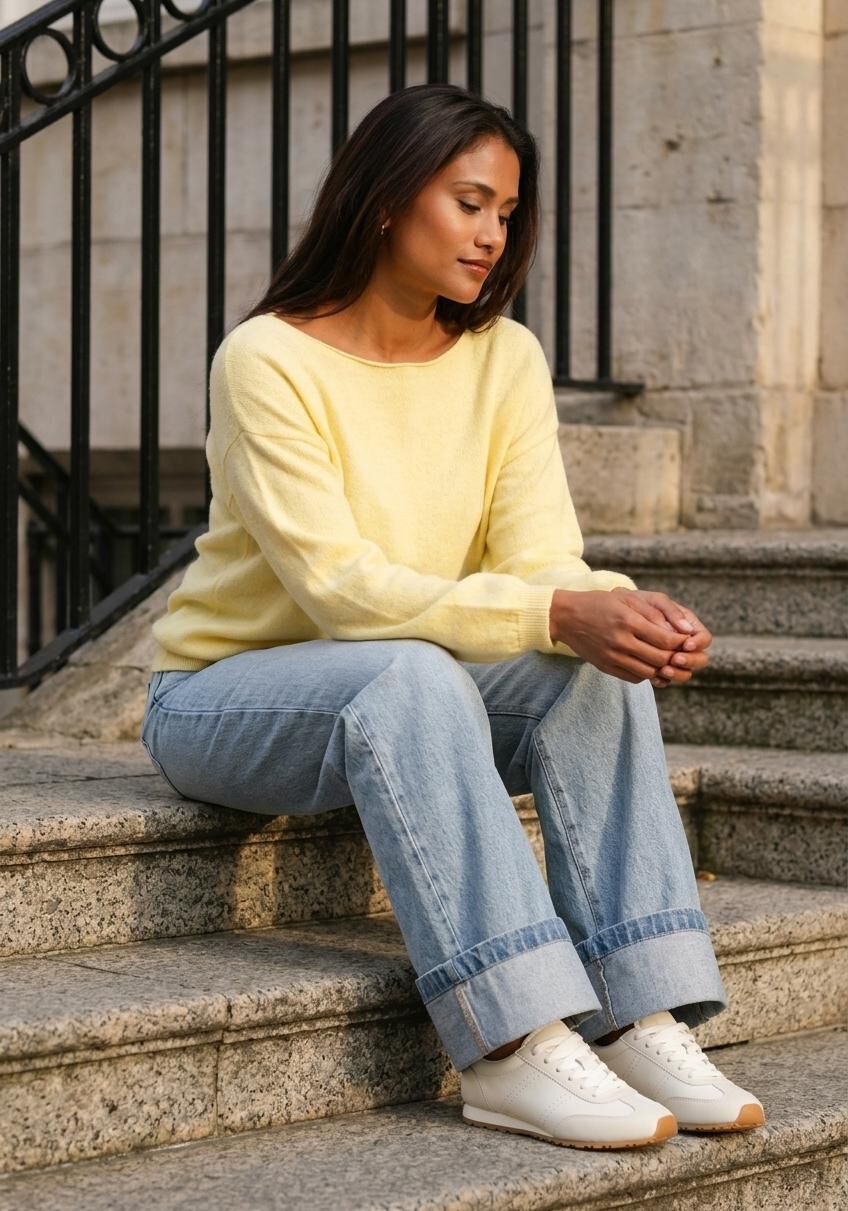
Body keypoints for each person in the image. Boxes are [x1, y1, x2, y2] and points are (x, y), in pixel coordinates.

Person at [141, 83, 765, 1150]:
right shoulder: (268, 359)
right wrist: (552, 609)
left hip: (405, 688)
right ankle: (512, 1041)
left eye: (506, 214)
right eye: (469, 203)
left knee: (583, 667)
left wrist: (617, 612)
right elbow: (338, 589)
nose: (491, 235)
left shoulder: (503, 357)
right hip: (223, 698)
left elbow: (539, 559)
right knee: (413, 671)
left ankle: (637, 1014)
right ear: (387, 198)